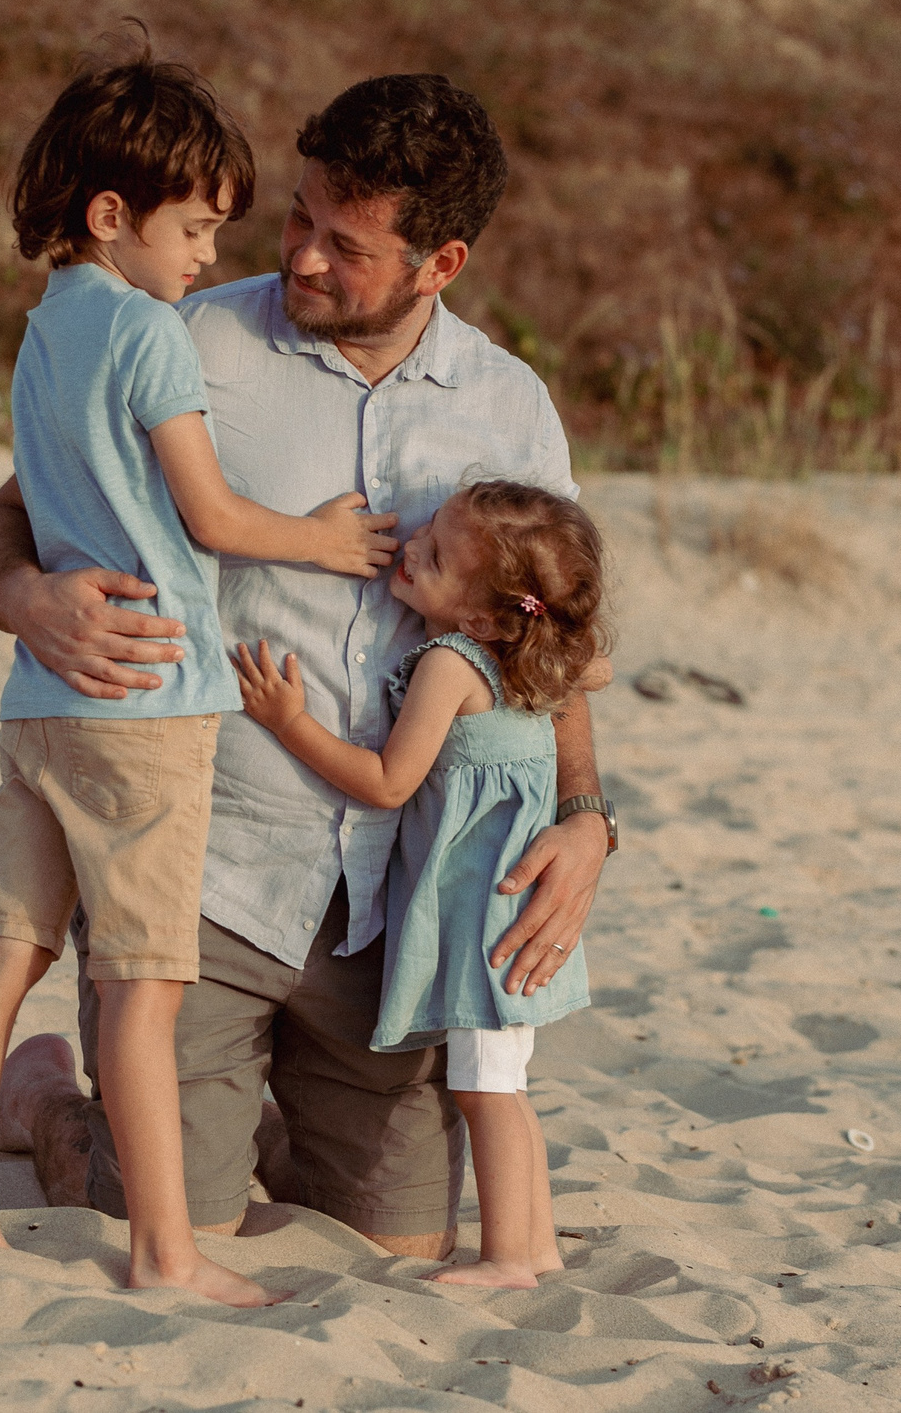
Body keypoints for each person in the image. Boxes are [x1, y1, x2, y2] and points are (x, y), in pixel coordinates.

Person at [0, 73, 616, 1262]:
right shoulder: (185, 335)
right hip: (213, 872)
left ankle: (240, 1113)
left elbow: (546, 642)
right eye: (298, 218)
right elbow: (8, 517)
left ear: (441, 262)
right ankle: (47, 1102)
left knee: (397, 1249)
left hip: (394, 917)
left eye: (344, 244)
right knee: (164, 1223)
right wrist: (25, 598)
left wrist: (583, 817)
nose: (301, 257)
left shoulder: (510, 408)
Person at [0, 41, 395, 1309]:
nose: (207, 259)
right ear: (111, 214)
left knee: (0, 949)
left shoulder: (42, 333)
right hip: (150, 709)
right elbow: (213, 516)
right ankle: (164, 1254)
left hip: (42, 701)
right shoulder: (151, 335)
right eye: (195, 229)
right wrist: (330, 539)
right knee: (142, 989)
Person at [229, 479, 608, 1286]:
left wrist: (288, 720)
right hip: (515, 911)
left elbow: (389, 781)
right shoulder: (534, 665)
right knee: (507, 1082)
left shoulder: (450, 662)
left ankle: (508, 1254)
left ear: (483, 617)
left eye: (434, 555)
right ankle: (535, 1246)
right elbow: (593, 666)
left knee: (486, 1091)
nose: (411, 549)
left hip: (482, 919)